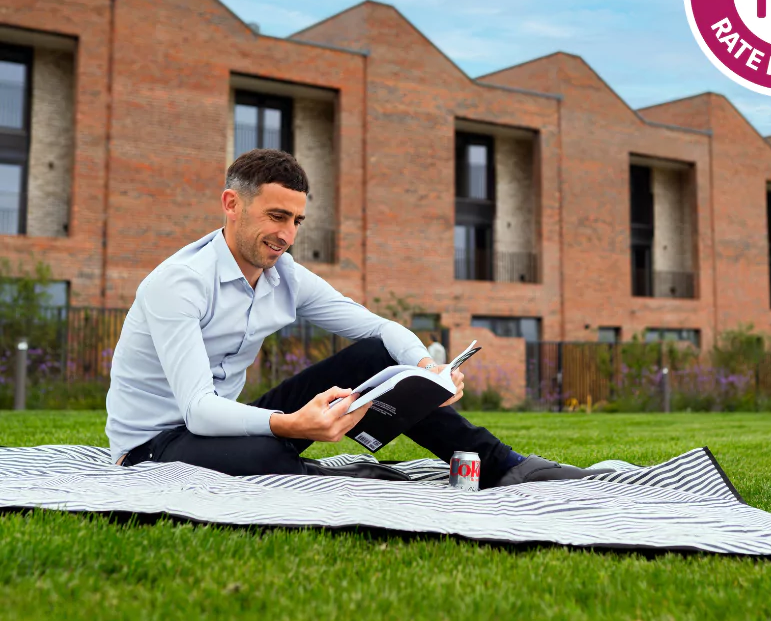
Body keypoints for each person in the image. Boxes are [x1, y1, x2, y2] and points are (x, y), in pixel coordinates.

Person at [105, 149, 604, 488]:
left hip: (220, 426)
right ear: (232, 205)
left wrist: (426, 369)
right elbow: (197, 409)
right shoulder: (179, 284)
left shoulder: (285, 275)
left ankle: (502, 466)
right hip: (154, 446)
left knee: (377, 357)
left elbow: (379, 329)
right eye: (276, 217)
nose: (287, 236)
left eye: (296, 221)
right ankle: (344, 479)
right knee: (268, 458)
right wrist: (289, 424)